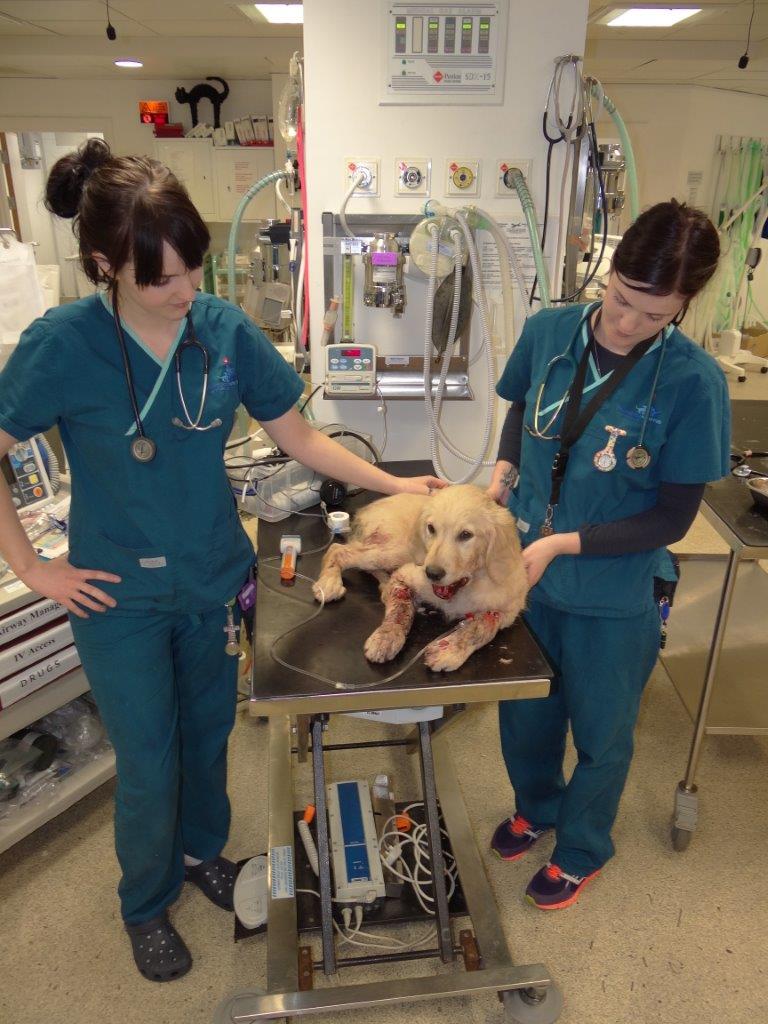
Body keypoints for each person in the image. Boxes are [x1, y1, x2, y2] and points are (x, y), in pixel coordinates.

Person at [0, 139, 443, 981]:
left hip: (210, 577)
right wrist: (32, 568)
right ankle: (145, 900)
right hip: (116, 592)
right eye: (160, 278)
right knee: (148, 756)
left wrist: (397, 482)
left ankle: (204, 854)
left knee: (207, 737)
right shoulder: (63, 343)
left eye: (193, 271)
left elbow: (300, 437)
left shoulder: (224, 331)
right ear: (105, 264)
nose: (185, 292)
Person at [486, 200, 730, 910]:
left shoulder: (693, 382)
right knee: (526, 714)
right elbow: (517, 412)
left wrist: (564, 542)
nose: (627, 324)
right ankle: (538, 805)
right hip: (527, 579)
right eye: (621, 300)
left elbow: (673, 516)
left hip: (614, 594)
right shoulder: (549, 332)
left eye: (654, 316)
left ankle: (584, 845)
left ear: (684, 306)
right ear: (610, 269)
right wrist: (504, 472)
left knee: (601, 732)